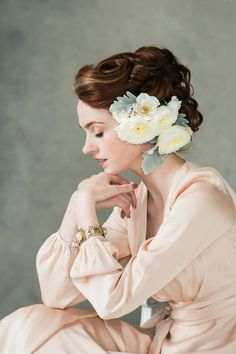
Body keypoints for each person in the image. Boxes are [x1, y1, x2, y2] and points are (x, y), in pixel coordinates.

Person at [0, 46, 236, 354]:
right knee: (31, 324)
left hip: (211, 347)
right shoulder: (138, 198)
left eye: (97, 132)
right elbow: (56, 296)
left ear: (138, 128)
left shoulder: (200, 199)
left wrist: (87, 214)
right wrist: (77, 206)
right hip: (164, 341)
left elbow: (113, 302)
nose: (87, 148)